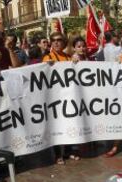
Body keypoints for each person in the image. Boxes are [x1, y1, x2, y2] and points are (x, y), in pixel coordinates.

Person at [42, 32, 78, 164]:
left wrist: (76, 62)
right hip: (55, 98)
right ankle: (58, 155)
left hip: (68, 97)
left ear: (63, 43)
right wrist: (47, 65)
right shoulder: (47, 57)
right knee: (57, 126)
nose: (56, 42)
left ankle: (68, 151)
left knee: (69, 123)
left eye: (59, 40)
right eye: (53, 40)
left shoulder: (68, 58)